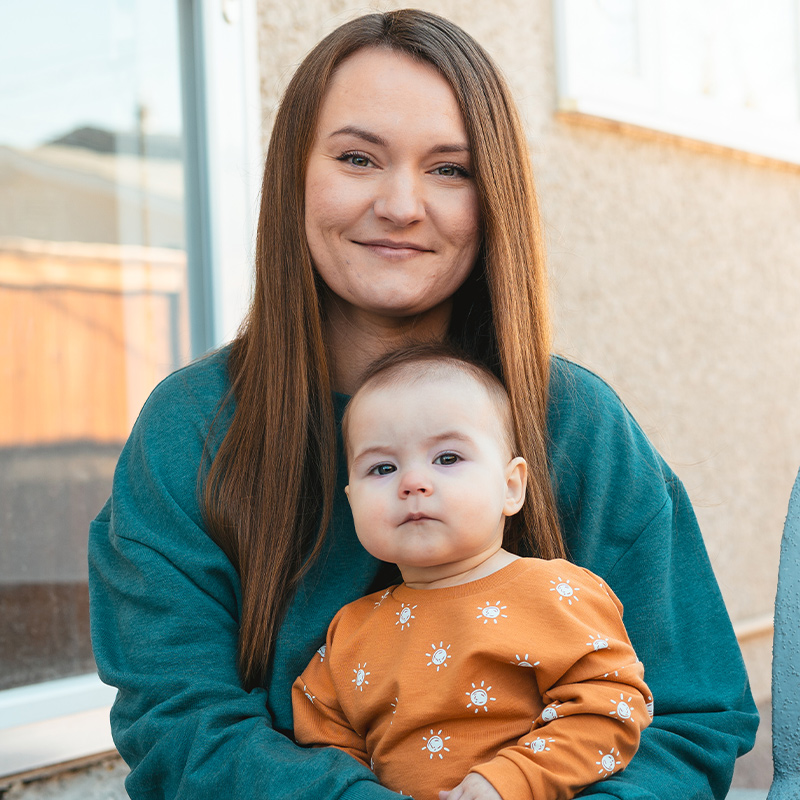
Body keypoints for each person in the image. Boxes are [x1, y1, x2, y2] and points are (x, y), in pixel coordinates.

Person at [88, 9, 758, 800]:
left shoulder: (573, 422)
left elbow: (690, 716)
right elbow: (178, 723)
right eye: (358, 157)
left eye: (450, 168)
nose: (401, 205)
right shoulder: (193, 427)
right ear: (293, 174)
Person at [291, 345, 653, 800]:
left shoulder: (556, 592)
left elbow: (613, 707)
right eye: (383, 467)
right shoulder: (350, 632)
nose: (413, 482)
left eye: (447, 458)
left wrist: (512, 780)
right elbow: (321, 744)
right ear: (352, 502)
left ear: (511, 486)